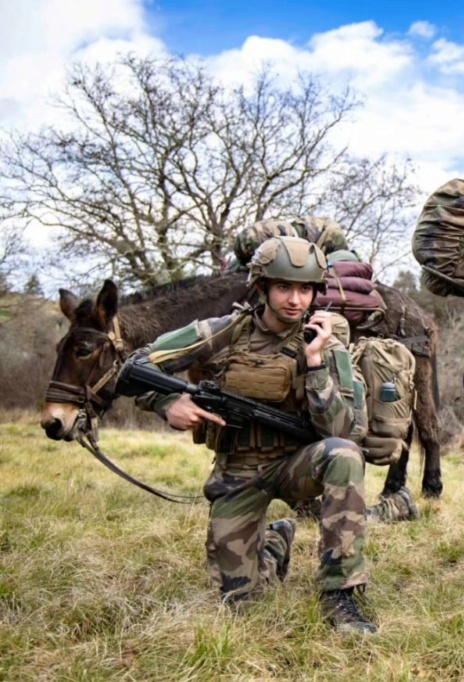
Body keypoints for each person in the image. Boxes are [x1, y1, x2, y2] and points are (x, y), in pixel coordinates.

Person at [121, 235, 387, 633]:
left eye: (304, 289)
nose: (295, 300)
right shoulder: (221, 331)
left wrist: (315, 365)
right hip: (238, 472)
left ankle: (340, 594)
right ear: (262, 287)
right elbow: (134, 365)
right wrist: (165, 403)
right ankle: (277, 542)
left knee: (344, 455)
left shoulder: (328, 346)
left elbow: (346, 431)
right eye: (283, 287)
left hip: (298, 465)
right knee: (241, 605)